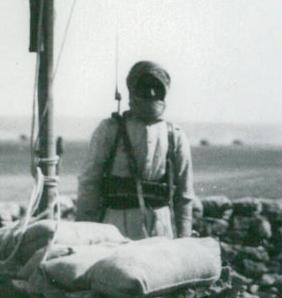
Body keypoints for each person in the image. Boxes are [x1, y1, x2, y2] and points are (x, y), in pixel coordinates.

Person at [76, 60, 195, 239]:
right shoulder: (110, 129)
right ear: (133, 90)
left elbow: (184, 195)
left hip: (160, 229)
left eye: (157, 87)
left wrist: (184, 239)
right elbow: (89, 183)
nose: (151, 93)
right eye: (145, 87)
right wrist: (84, 233)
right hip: (115, 228)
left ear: (164, 92)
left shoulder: (175, 135)